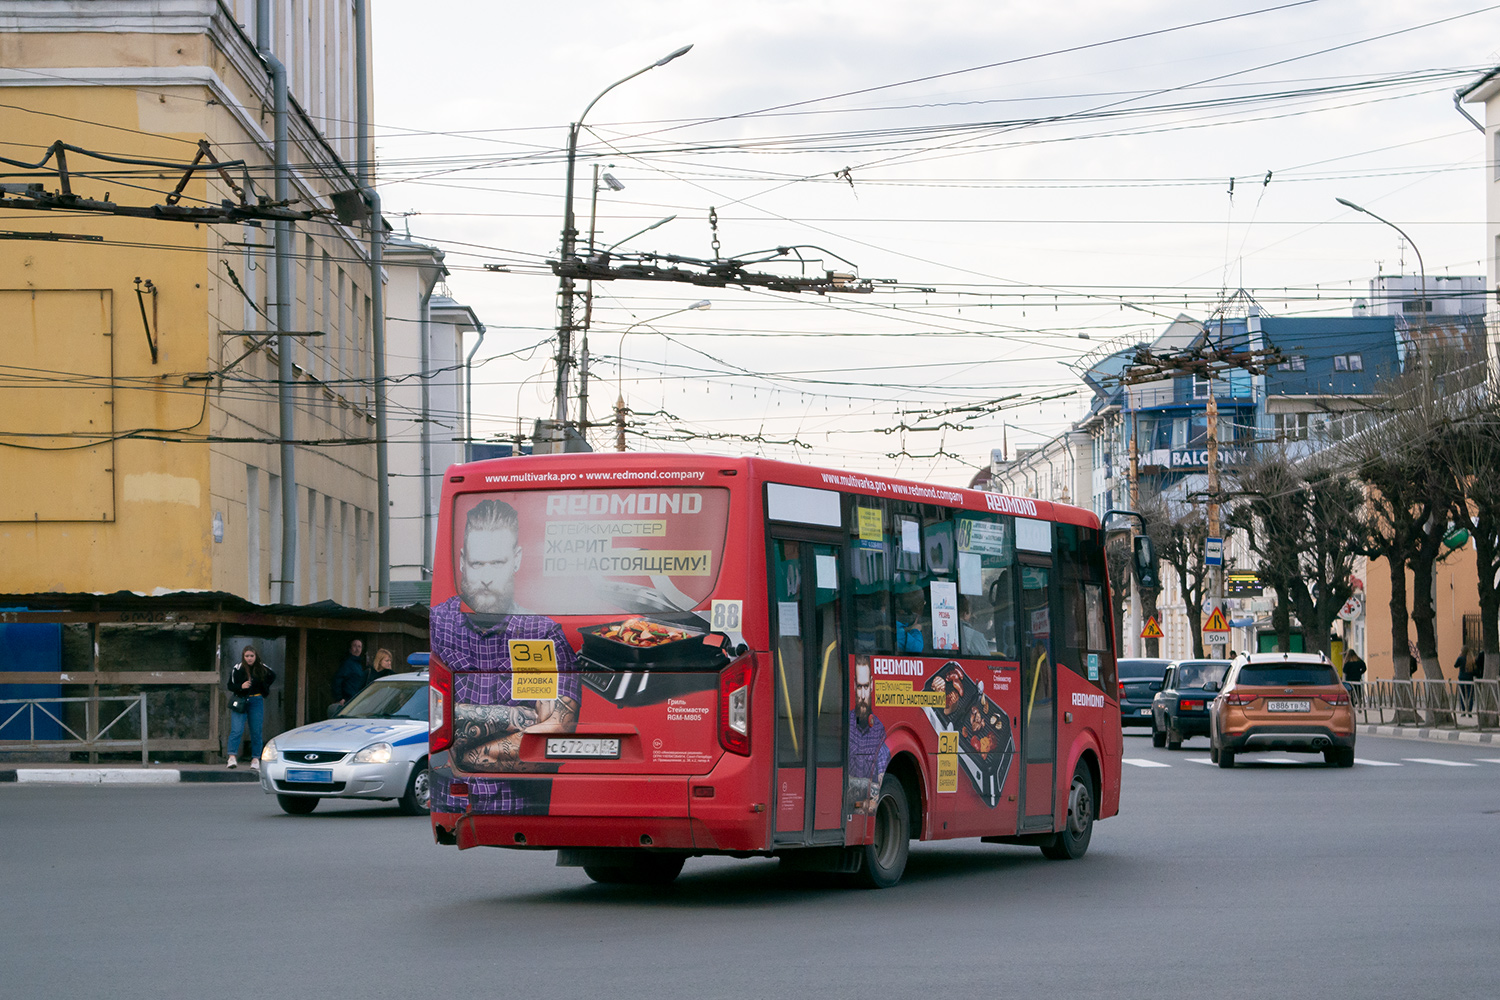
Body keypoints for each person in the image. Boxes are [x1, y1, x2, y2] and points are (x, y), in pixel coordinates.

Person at [429, 499, 579, 815]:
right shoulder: (440, 625)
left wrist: (467, 751)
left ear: (516, 560)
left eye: (496, 563)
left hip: (518, 802)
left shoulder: (538, 633)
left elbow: (554, 732)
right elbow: (431, 716)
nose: (485, 577)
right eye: (476, 564)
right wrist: (513, 719)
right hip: (455, 798)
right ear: (461, 561)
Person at [847, 656, 890, 818]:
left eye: (866, 687)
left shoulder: (879, 730)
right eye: (859, 687)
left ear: (872, 685)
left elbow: (881, 771)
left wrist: (872, 800)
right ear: (853, 685)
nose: (863, 695)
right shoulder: (845, 725)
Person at [226, 645, 275, 769]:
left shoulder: (262, 668)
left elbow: (272, 675)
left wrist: (264, 688)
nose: (249, 658)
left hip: (256, 700)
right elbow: (230, 685)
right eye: (247, 656)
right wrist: (241, 687)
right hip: (241, 700)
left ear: (255, 656)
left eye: (251, 656)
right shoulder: (238, 668)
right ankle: (232, 757)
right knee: (236, 729)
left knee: (256, 731)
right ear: (243, 656)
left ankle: (255, 759)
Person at [328, 638, 366, 717]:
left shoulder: (359, 665)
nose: (357, 649)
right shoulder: (347, 664)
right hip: (348, 700)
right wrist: (340, 698)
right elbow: (337, 681)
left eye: (359, 646)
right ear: (350, 648)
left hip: (355, 699)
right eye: (354, 646)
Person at [1456, 646, 1475, 713]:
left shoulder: (1460, 658)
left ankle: (1463, 710)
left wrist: (1459, 656)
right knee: (1470, 695)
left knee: (1462, 695)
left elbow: (1455, 665)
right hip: (1470, 679)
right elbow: (1475, 669)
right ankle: (1469, 710)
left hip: (1462, 679)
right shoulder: (1472, 659)